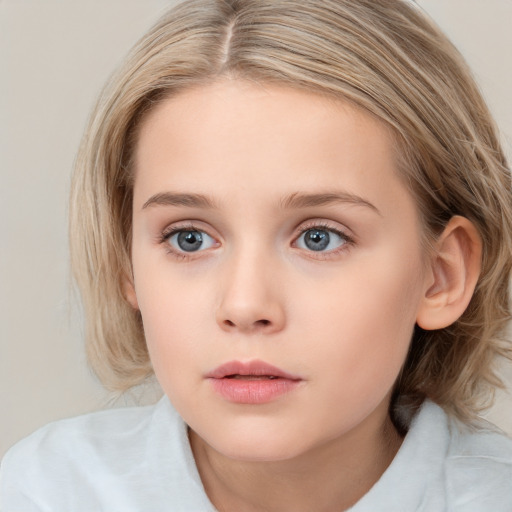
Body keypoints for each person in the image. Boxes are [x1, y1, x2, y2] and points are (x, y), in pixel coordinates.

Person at [2, 0, 512, 510]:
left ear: (441, 275)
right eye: (189, 238)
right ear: (126, 262)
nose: (245, 305)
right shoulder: (46, 491)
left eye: (320, 237)